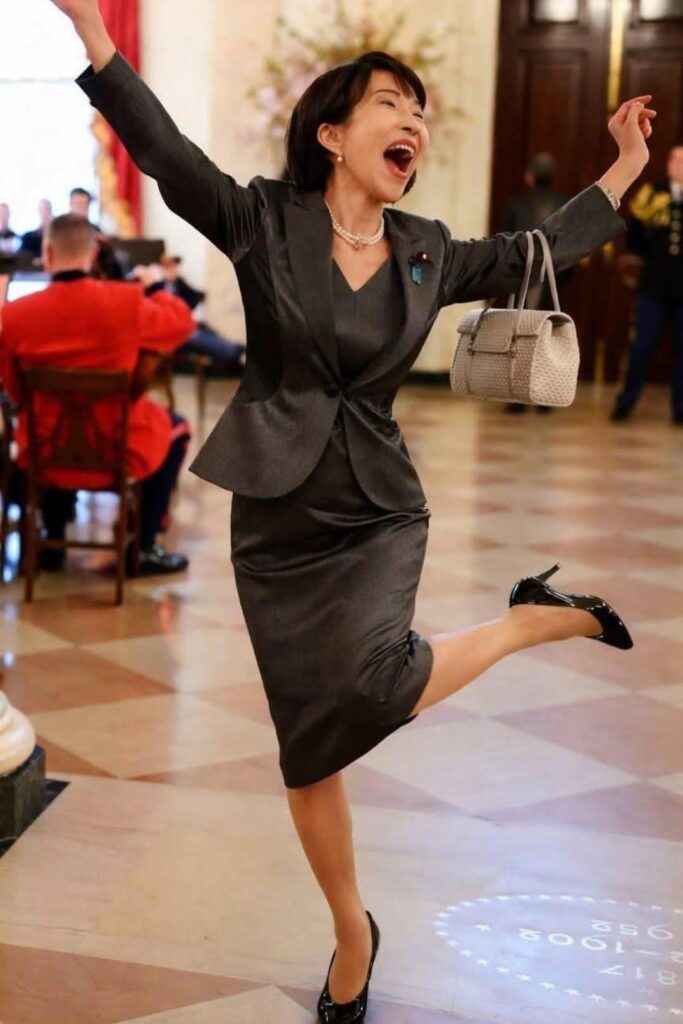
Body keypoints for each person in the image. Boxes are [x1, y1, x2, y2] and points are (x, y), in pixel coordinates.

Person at [54, 1, 653, 1020]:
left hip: (376, 507)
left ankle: (521, 623)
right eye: (389, 103)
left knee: (371, 684)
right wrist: (95, 35)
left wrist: (625, 165)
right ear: (332, 133)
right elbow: (167, 155)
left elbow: (538, 250)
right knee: (309, 744)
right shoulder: (261, 220)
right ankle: (350, 931)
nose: (410, 120)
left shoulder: (427, 249)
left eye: (418, 110)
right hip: (276, 516)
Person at [0, 212, 195, 574]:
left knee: (48, 423)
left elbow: (15, 391)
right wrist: (155, 286)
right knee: (177, 427)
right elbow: (182, 324)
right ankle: (145, 546)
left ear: (47, 253)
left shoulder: (14, 316)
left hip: (43, 453)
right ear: (92, 255)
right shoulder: (127, 302)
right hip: (115, 449)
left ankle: (53, 538)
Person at [610, 144, 683, 423]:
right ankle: (625, 403)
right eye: (676, 160)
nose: (680, 166)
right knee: (642, 345)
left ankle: (680, 408)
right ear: (668, 164)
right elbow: (635, 234)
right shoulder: (652, 193)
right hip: (655, 285)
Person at [499, 153, 570, 414]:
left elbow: (503, 244)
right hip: (553, 280)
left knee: (520, 336)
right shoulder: (565, 205)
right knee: (548, 339)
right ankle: (544, 398)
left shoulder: (516, 204)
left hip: (522, 279)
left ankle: (517, 397)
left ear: (529, 177)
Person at [159, 255, 246, 374]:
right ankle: (236, 354)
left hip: (185, 325)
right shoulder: (157, 286)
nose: (173, 269)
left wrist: (179, 280)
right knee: (201, 338)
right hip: (175, 331)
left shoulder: (178, 284)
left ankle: (239, 350)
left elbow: (193, 298)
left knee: (209, 331)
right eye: (169, 266)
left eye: (174, 266)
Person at [69, 185, 125, 279]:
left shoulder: (96, 231)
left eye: (84, 205)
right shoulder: (61, 231)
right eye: (78, 205)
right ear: (71, 205)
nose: (81, 209)